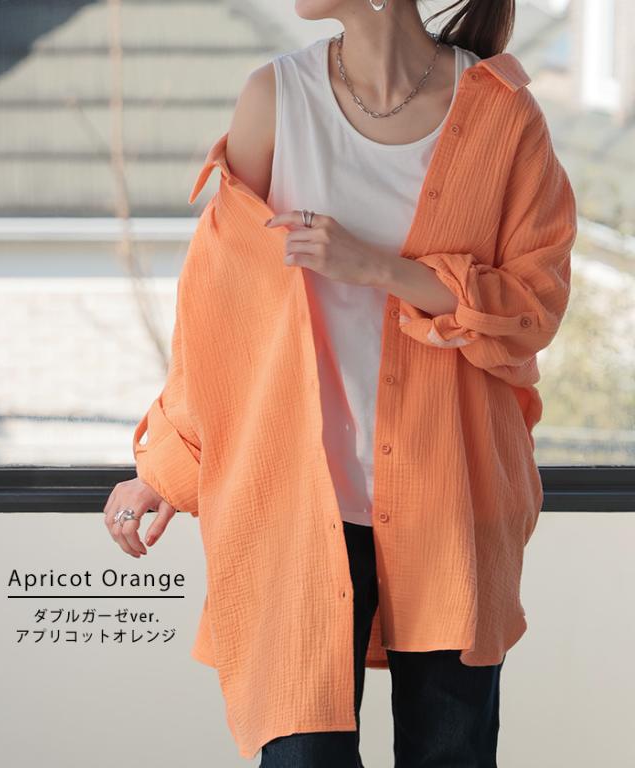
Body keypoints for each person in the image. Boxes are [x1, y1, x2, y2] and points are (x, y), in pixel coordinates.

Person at [104, 1, 576, 765]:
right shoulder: (276, 99)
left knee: (450, 754)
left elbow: (534, 306)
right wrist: (168, 464)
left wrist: (379, 268)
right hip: (296, 496)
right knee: (302, 753)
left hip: (453, 492)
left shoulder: (503, 116)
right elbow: (220, 310)